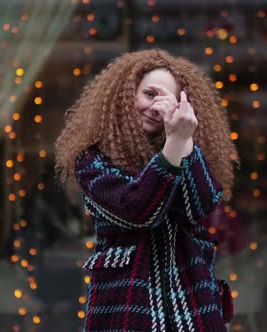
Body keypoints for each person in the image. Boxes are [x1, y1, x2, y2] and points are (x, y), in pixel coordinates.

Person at [55, 49, 237, 332]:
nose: (157, 107)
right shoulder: (92, 158)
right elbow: (138, 211)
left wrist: (183, 142)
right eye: (150, 94)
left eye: (170, 101)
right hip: (126, 304)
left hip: (191, 300)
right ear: (126, 95)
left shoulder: (184, 149)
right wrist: (174, 146)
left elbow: (199, 207)